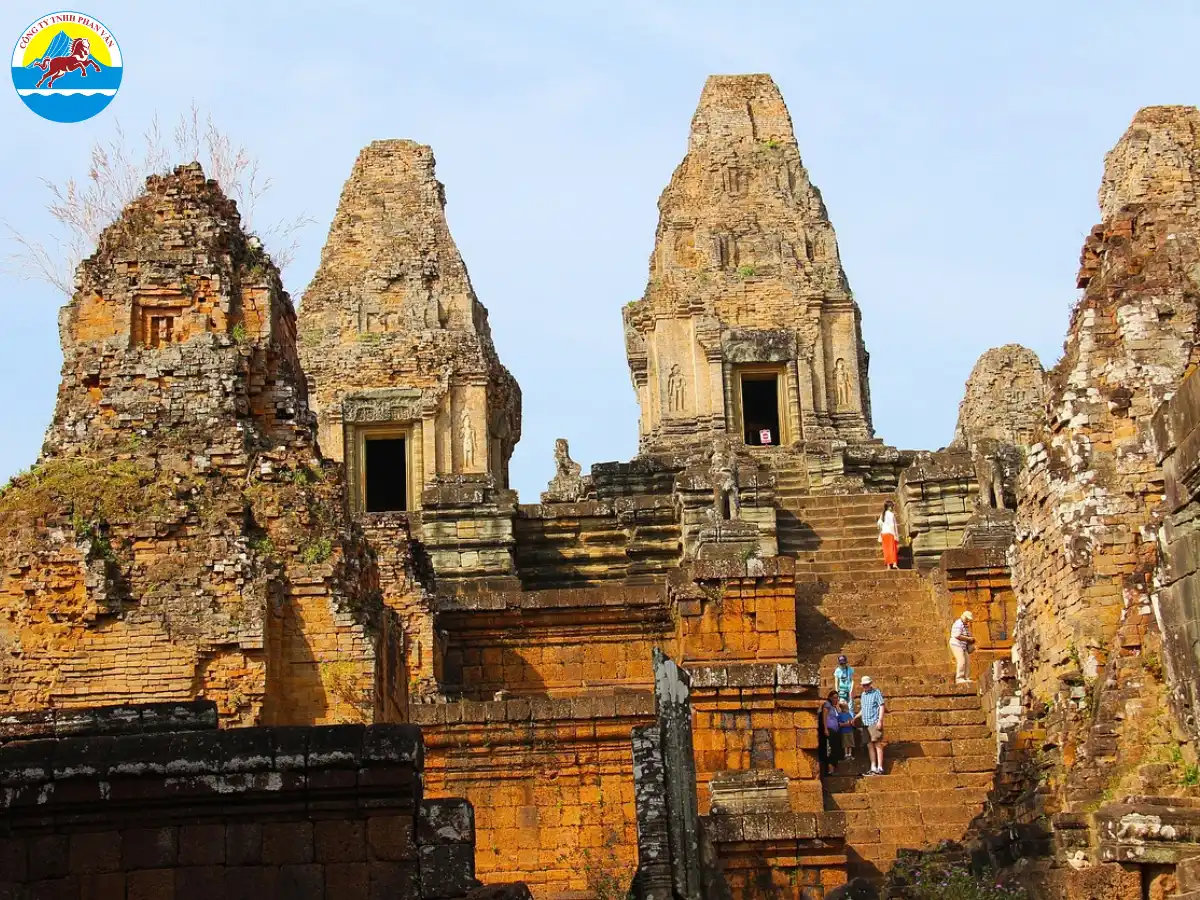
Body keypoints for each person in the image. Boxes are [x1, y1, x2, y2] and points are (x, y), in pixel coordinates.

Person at [856, 676, 886, 775]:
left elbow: (881, 706)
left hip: (874, 721)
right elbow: (863, 709)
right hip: (865, 723)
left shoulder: (876, 692)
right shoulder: (863, 695)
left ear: (870, 684)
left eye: (867, 684)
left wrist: (880, 720)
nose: (866, 686)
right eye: (864, 685)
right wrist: (855, 717)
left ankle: (880, 767)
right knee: (869, 745)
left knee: (877, 744)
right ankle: (873, 767)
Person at [950, 610, 976, 684]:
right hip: (956, 644)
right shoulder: (958, 624)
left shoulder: (965, 625)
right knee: (962, 661)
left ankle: (966, 677)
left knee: (967, 661)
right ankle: (959, 678)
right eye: (967, 619)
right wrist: (968, 639)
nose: (968, 621)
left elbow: (967, 635)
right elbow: (957, 635)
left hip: (963, 645)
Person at [820, 690, 842, 776]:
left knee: (836, 748)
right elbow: (824, 717)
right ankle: (830, 767)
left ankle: (833, 766)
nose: (836, 699)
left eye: (837, 698)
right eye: (834, 698)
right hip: (830, 729)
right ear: (830, 698)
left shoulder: (834, 707)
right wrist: (825, 729)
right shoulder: (827, 705)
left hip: (836, 730)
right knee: (831, 749)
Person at [877, 500, 900, 570]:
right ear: (889, 507)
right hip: (890, 533)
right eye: (892, 506)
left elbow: (879, 524)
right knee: (892, 549)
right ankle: (894, 564)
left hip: (884, 534)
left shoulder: (882, 514)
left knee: (886, 550)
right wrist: (896, 535)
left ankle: (888, 565)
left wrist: (881, 533)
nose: (893, 507)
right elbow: (893, 525)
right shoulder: (891, 514)